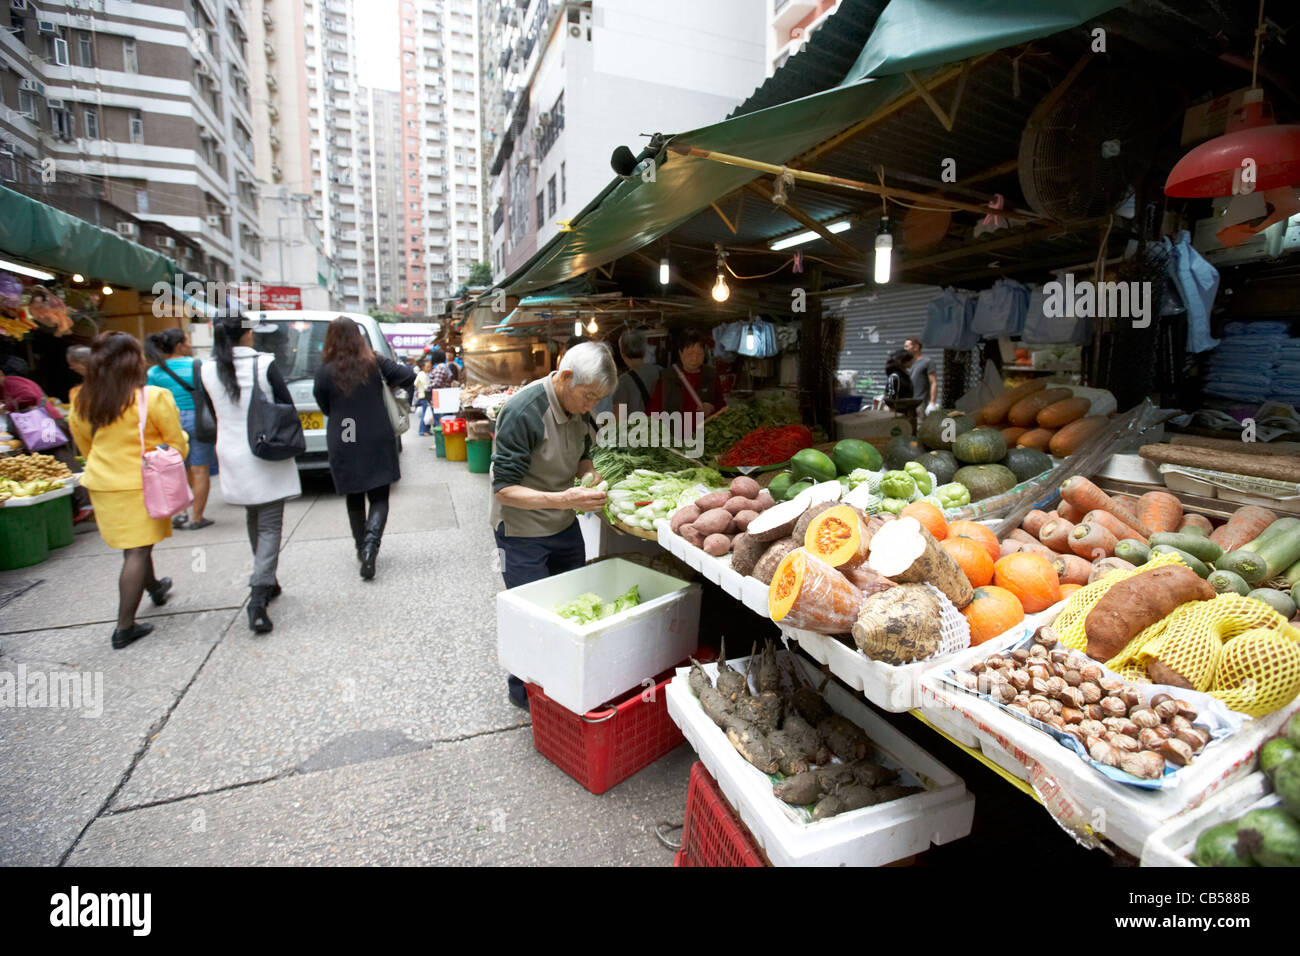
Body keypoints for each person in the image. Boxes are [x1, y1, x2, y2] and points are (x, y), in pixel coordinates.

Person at [491, 341, 615, 709]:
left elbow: (583, 457)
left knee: (573, 607)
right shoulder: (523, 411)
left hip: (563, 525)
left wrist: (590, 477)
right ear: (564, 377)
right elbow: (504, 490)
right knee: (532, 615)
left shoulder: (581, 410)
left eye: (598, 399)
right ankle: (524, 694)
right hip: (520, 531)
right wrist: (565, 499)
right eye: (589, 396)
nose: (592, 405)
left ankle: (562, 685)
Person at [68, 332, 188, 649]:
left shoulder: (82, 399)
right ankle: (125, 627)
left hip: (103, 484)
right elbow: (176, 444)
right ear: (135, 361)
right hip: (143, 485)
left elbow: (85, 446)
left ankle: (155, 587)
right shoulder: (153, 397)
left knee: (134, 544)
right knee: (136, 550)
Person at [200, 315, 302, 633]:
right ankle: (258, 598)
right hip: (265, 451)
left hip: (231, 453)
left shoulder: (205, 369)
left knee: (254, 517)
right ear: (245, 335)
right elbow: (286, 406)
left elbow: (210, 413)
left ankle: (267, 580)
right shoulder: (264, 364)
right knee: (270, 525)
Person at [313, 316, 416, 580]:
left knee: (354, 495)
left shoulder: (324, 370)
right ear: (359, 336)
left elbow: (324, 405)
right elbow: (408, 375)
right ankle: (372, 547)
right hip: (376, 435)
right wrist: (396, 394)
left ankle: (361, 548)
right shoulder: (375, 362)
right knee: (380, 496)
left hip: (344, 437)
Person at [3, 355, 92, 519]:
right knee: (56, 464)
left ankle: (85, 504)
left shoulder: (12, 383)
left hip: (45, 425)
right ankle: (77, 506)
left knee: (64, 463)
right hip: (45, 424)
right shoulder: (13, 383)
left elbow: (28, 398)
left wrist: (10, 407)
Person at [146, 329, 217, 531]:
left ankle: (179, 513)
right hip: (197, 420)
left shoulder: (153, 372)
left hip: (168, 421)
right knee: (200, 469)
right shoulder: (197, 365)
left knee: (176, 469)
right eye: (187, 340)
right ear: (179, 346)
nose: (190, 343)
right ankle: (197, 518)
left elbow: (150, 400)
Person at [648, 330, 719, 418]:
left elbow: (721, 405)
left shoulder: (711, 375)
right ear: (681, 353)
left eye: (699, 354)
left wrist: (712, 408)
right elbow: (654, 409)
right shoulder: (666, 376)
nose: (694, 358)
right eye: (689, 354)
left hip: (704, 430)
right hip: (673, 429)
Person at [596, 329, 661, 417]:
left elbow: (620, 417)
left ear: (622, 353)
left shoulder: (624, 381)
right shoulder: (660, 371)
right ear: (644, 350)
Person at [883, 348, 921, 423]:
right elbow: (891, 399)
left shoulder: (905, 375)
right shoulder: (895, 376)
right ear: (903, 361)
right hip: (897, 415)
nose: (912, 362)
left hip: (907, 412)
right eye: (910, 360)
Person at [425, 348, 458, 432]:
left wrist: (427, 388)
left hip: (440, 399)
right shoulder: (445, 366)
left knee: (440, 423)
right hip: (444, 398)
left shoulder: (440, 367)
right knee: (444, 421)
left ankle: (441, 443)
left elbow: (437, 383)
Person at [904, 338, 938, 414]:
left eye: (907, 346)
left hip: (920, 404)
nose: (904, 349)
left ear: (916, 347)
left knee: (920, 425)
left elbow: (933, 382)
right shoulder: (908, 363)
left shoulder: (927, 362)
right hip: (907, 403)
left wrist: (932, 403)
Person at [412, 359, 433, 436]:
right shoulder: (422, 374)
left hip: (424, 396)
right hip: (424, 396)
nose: (429, 368)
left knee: (427, 413)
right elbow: (426, 386)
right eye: (427, 367)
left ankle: (426, 430)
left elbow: (416, 383)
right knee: (425, 413)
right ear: (423, 367)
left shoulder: (424, 374)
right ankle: (422, 431)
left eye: (430, 367)